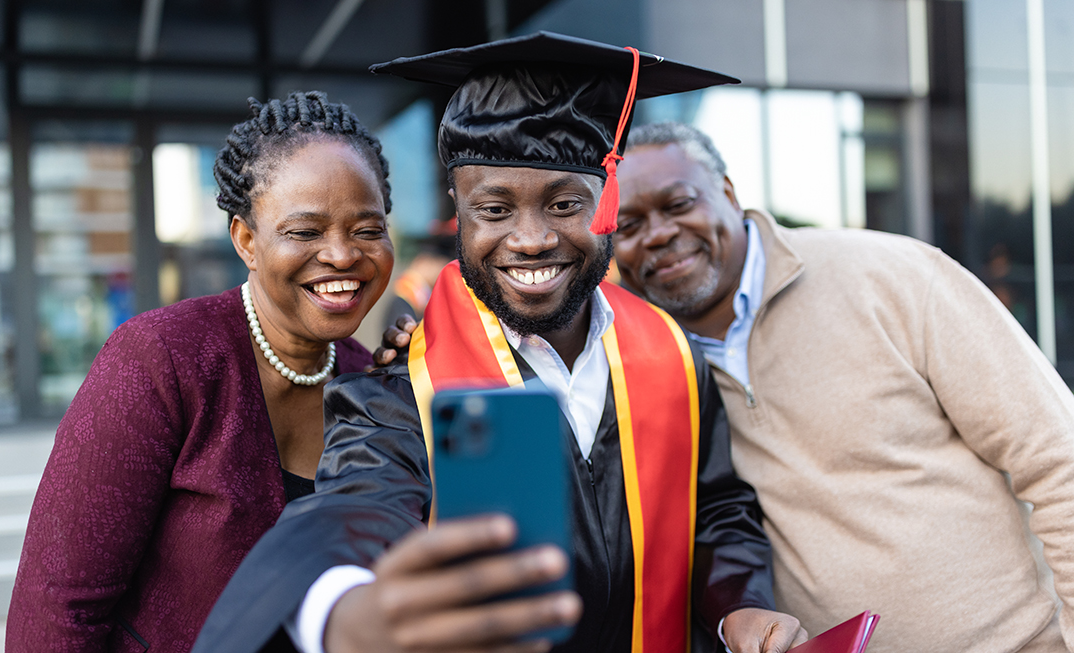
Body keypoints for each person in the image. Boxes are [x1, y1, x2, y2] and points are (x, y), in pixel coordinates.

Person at [194, 32, 805, 653]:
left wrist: (741, 607)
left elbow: (719, 512)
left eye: (566, 203)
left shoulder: (671, 354)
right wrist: (343, 608)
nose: (533, 238)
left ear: (606, 205)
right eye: (495, 209)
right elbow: (354, 512)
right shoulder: (402, 390)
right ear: (458, 212)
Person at [610, 122, 1074, 653]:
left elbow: (1058, 456)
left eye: (677, 203)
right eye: (629, 223)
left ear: (730, 194)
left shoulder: (892, 275)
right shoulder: (639, 367)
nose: (659, 233)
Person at [6, 91, 395, 651]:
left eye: (367, 229)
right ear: (246, 240)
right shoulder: (161, 359)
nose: (341, 255)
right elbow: (57, 609)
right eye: (305, 232)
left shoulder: (371, 380)